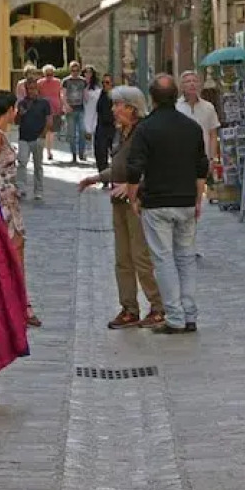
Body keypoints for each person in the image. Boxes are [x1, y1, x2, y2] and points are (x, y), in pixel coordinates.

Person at [119, 73, 209, 335]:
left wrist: (133, 197)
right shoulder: (191, 127)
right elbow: (201, 166)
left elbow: (135, 168)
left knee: (164, 259)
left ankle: (175, 316)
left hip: (157, 202)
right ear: (175, 95)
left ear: (153, 98)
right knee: (186, 258)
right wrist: (198, 197)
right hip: (185, 200)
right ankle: (190, 314)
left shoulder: (146, 128)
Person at [79, 86, 164, 329]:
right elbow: (119, 166)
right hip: (119, 202)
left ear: (132, 108)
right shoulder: (122, 132)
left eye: (118, 105)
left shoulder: (144, 132)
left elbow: (154, 167)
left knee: (141, 257)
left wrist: (131, 186)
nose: (114, 109)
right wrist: (96, 178)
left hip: (137, 203)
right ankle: (129, 308)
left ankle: (158, 307)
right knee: (123, 259)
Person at [0, 91, 41, 327]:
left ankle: (18, 304)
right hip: (1, 199)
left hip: (6, 198)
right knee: (13, 249)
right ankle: (19, 306)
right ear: (11, 109)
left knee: (15, 248)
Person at [15, 72, 53, 202]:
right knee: (22, 162)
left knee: (38, 165)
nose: (31, 91)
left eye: (33, 88)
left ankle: (38, 191)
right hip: (24, 137)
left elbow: (49, 121)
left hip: (38, 138)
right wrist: (19, 114)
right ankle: (21, 188)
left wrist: (42, 135)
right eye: (29, 89)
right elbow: (16, 121)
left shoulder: (44, 103)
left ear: (37, 89)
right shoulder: (22, 103)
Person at [177, 69, 221, 164]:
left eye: (195, 81)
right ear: (181, 87)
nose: (192, 84)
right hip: (182, 159)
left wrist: (213, 158)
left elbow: (213, 134)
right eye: (188, 81)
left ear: (199, 85)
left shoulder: (208, 107)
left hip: (204, 158)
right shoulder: (176, 107)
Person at [61, 60, 89, 163]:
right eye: (73, 70)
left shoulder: (83, 81)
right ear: (70, 70)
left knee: (82, 131)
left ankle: (81, 153)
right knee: (71, 134)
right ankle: (73, 154)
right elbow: (63, 94)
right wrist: (66, 105)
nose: (75, 72)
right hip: (70, 109)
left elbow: (85, 94)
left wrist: (88, 102)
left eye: (77, 70)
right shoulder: (66, 81)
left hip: (81, 109)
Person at [36, 64, 64, 162]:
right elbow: (37, 95)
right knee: (45, 132)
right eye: (47, 74)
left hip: (54, 108)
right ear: (44, 74)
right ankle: (45, 152)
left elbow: (60, 94)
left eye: (51, 74)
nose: (49, 76)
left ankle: (48, 152)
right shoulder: (40, 83)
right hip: (44, 109)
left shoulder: (57, 82)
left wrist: (62, 106)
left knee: (50, 132)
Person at [92, 73, 116, 176]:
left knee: (116, 153)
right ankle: (103, 176)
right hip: (101, 127)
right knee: (100, 153)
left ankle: (115, 175)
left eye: (107, 82)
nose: (105, 85)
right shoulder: (100, 95)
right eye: (103, 83)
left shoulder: (116, 96)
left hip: (114, 127)